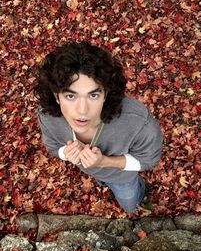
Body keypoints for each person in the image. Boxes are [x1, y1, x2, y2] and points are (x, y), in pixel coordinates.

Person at [34, 41, 163, 212]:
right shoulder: (48, 116)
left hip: (122, 177)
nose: (82, 110)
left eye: (93, 95)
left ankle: (141, 189)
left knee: (130, 204)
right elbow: (52, 146)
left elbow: (148, 160)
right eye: (70, 96)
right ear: (56, 96)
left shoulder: (139, 123)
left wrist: (104, 161)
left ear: (106, 94)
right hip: (93, 173)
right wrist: (64, 153)